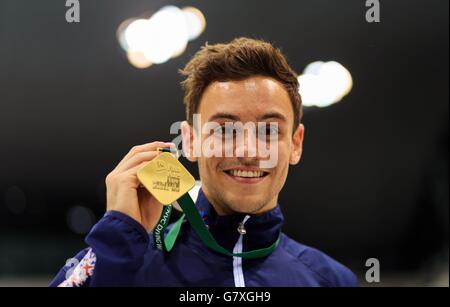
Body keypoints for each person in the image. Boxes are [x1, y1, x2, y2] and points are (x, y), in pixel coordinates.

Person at [50, 37, 358, 287]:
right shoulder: (124, 263)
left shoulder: (331, 280)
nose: (249, 152)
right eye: (224, 130)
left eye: (268, 130)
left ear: (295, 144)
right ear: (192, 141)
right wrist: (117, 244)